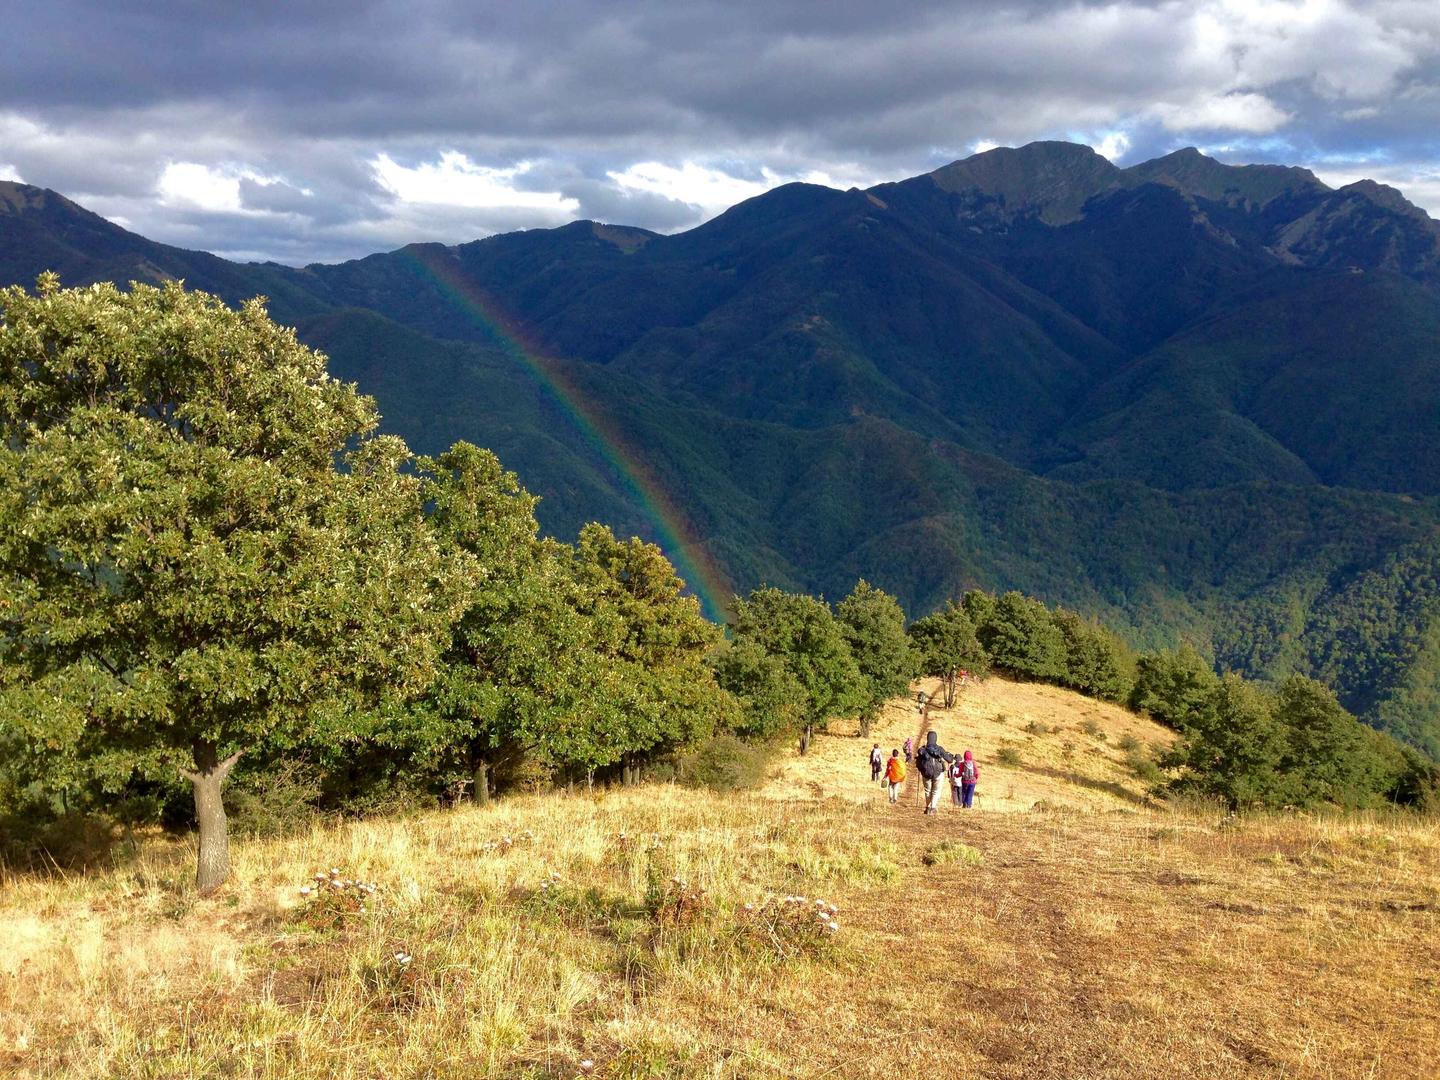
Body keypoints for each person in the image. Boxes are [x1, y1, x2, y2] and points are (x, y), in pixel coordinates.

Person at [915, 731, 955, 815]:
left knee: (927, 790)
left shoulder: (923, 749)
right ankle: (932, 808)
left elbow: (918, 762)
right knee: (936, 791)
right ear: (936, 738)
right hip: (938, 773)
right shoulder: (939, 749)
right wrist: (950, 756)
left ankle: (928, 807)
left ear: (927, 738)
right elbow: (950, 760)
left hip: (926, 773)